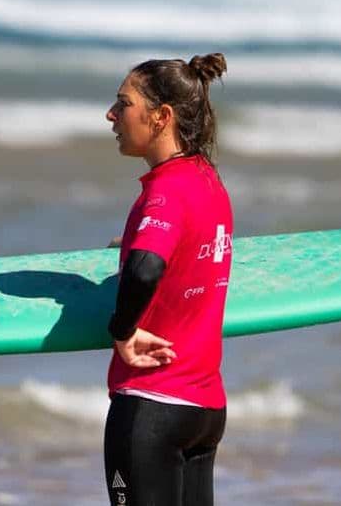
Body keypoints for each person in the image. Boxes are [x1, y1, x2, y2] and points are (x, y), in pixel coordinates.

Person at [103, 53, 233, 506]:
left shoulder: (166, 190)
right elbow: (185, 249)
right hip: (205, 409)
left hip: (152, 406)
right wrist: (134, 241)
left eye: (124, 104)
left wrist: (122, 331)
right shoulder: (209, 182)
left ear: (161, 117)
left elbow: (146, 268)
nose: (111, 115)